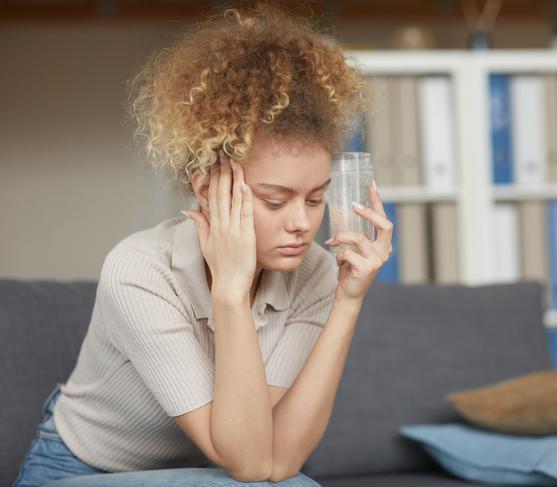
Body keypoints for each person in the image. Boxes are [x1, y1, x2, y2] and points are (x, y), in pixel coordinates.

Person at [12, 2, 393, 486]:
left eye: (315, 198)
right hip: (74, 473)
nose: (302, 224)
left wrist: (347, 301)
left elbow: (272, 458)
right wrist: (231, 290)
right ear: (207, 187)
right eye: (275, 201)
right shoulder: (140, 270)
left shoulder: (314, 272)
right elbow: (250, 466)